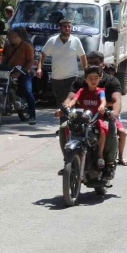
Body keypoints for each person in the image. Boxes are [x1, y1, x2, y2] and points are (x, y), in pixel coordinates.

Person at [67, 52, 127, 166]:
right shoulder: (81, 80)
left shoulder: (112, 80)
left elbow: (117, 100)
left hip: (105, 115)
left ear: (102, 64)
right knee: (64, 127)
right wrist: (64, 108)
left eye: (96, 63)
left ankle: (110, 161)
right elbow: (70, 98)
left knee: (112, 128)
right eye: (90, 63)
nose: (92, 65)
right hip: (83, 116)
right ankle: (68, 161)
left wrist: (114, 112)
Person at [37, 17, 88, 153]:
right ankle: (63, 127)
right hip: (57, 77)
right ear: (60, 28)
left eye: (69, 26)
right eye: (65, 26)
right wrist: (39, 68)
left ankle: (74, 127)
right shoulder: (53, 41)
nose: (67, 29)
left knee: (72, 102)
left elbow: (83, 57)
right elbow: (43, 54)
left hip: (72, 76)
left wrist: (87, 72)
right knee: (61, 103)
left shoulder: (76, 41)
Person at [0, 27, 37, 125]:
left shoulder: (27, 46)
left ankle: (32, 116)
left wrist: (22, 71)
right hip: (9, 71)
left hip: (23, 72)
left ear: (18, 36)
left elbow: (30, 61)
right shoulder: (8, 46)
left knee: (27, 90)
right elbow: (4, 58)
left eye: (12, 36)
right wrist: (0, 66)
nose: (9, 38)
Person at [60, 66, 109, 168]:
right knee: (65, 126)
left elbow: (103, 100)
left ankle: (100, 155)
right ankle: (68, 156)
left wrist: (102, 106)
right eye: (90, 78)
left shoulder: (101, 91)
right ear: (85, 80)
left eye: (96, 78)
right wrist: (69, 105)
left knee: (104, 128)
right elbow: (74, 99)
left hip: (95, 119)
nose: (93, 80)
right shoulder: (82, 90)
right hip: (82, 119)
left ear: (100, 79)